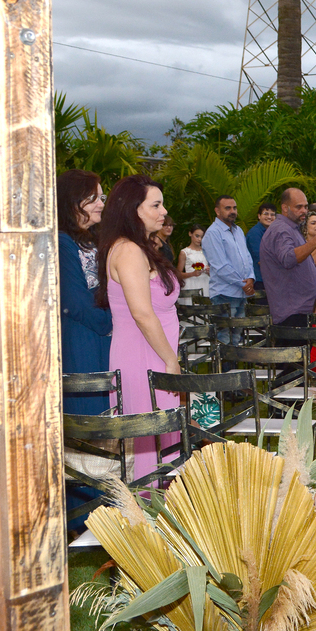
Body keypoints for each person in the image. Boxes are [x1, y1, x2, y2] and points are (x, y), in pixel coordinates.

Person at [95, 175, 182, 481]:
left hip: (154, 354)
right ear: (134, 210)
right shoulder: (129, 250)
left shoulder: (138, 247)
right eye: (155, 205)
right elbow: (143, 314)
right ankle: (147, 514)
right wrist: (170, 360)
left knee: (161, 440)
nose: (163, 211)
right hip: (145, 357)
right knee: (148, 446)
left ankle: (162, 513)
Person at [56, 169, 112, 416]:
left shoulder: (91, 239)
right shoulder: (61, 241)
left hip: (102, 335)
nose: (102, 204)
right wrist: (112, 319)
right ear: (73, 201)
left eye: (102, 197)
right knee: (89, 418)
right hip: (82, 339)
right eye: (95, 199)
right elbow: (75, 301)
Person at [261, 188, 316, 327]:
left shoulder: (292, 228)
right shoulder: (281, 230)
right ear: (285, 208)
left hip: (301, 311)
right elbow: (289, 259)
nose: (304, 211)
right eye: (298, 207)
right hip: (292, 314)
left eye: (306, 206)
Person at [201, 195, 256, 346]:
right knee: (224, 338)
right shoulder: (213, 233)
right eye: (228, 208)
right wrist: (243, 284)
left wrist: (250, 278)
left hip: (240, 292)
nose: (232, 211)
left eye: (234, 208)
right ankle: (224, 369)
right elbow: (220, 266)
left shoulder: (238, 231)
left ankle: (234, 368)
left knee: (237, 336)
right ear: (217, 211)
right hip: (224, 294)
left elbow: (247, 257)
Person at [246, 202, 275, 291]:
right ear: (259, 216)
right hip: (260, 280)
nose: (269, 217)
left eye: (272, 214)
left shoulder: (273, 232)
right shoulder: (255, 233)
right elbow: (261, 260)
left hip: (272, 279)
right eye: (266, 214)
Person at [177, 224, 210, 301]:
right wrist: (192, 274)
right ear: (190, 234)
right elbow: (178, 274)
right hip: (191, 283)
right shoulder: (184, 252)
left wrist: (209, 271)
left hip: (205, 282)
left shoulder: (206, 251)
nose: (199, 239)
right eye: (197, 236)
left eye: (202, 237)